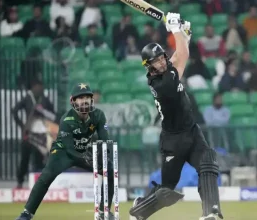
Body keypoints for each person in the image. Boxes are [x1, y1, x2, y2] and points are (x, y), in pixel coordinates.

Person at [129, 13, 223, 220]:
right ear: (149, 66)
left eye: (162, 57)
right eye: (156, 61)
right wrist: (177, 31)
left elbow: (181, 56)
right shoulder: (161, 84)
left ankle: (212, 212)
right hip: (173, 141)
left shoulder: (166, 71)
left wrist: (182, 36)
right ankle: (140, 209)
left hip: (192, 131)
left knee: (208, 164)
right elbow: (180, 59)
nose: (162, 63)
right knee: (167, 190)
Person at [15, 83, 115, 220]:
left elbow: (105, 139)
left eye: (87, 97)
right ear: (72, 101)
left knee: (109, 169)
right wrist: (86, 157)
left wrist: (103, 153)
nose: (84, 101)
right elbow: (69, 149)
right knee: (46, 177)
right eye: (80, 98)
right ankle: (26, 213)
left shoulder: (98, 115)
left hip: (85, 150)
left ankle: (103, 212)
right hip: (63, 152)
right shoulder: (66, 119)